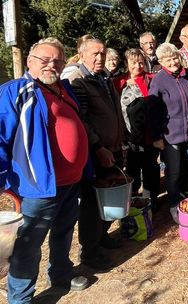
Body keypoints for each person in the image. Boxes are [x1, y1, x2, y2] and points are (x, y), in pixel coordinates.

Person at [1, 37, 89, 303]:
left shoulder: (63, 88)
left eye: (58, 61)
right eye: (45, 60)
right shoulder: (15, 91)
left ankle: (60, 273)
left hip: (70, 181)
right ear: (30, 61)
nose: (52, 65)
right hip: (38, 187)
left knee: (63, 231)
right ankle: (21, 298)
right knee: (29, 244)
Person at [67, 38, 126, 270]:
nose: (99, 57)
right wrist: (97, 147)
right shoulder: (78, 81)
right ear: (81, 55)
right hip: (96, 152)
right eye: (94, 53)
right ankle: (89, 252)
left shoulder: (104, 78)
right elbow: (82, 120)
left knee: (109, 198)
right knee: (92, 203)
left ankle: (102, 237)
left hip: (114, 147)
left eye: (102, 52)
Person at [148, 43, 188, 223]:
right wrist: (157, 136)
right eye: (168, 60)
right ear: (161, 62)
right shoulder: (158, 81)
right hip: (170, 136)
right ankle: (174, 203)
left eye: (175, 57)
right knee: (173, 172)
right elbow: (152, 111)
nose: (173, 62)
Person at [115, 48, 160, 211]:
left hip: (149, 135)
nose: (138, 66)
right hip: (129, 137)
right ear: (127, 64)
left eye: (141, 62)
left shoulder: (151, 79)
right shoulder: (119, 82)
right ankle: (133, 201)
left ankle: (150, 199)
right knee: (132, 169)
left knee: (150, 168)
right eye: (133, 62)